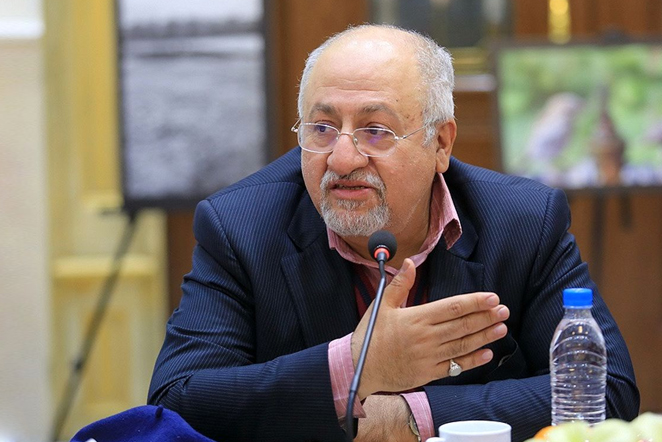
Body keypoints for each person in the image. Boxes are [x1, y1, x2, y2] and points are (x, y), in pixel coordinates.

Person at [148, 24, 639, 442]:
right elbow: (176, 404)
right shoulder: (241, 226)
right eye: (322, 128)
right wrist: (352, 366)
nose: (342, 158)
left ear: (440, 143)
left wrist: (410, 416)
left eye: (376, 130)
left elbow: (607, 391)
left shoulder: (523, 221)